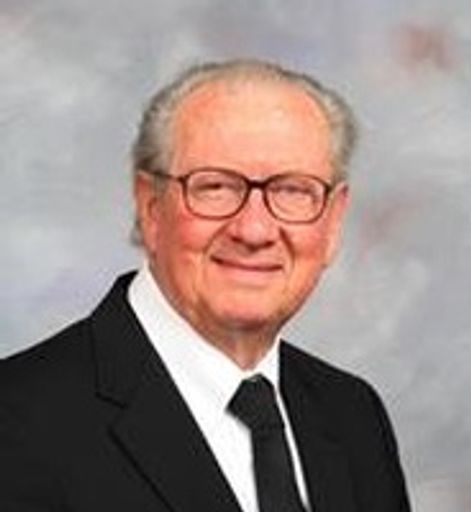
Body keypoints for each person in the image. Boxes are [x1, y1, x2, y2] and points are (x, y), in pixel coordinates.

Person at [0, 59, 411, 512]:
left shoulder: (354, 416)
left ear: (333, 222)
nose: (253, 230)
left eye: (293, 191)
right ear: (150, 206)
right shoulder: (16, 423)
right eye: (215, 187)